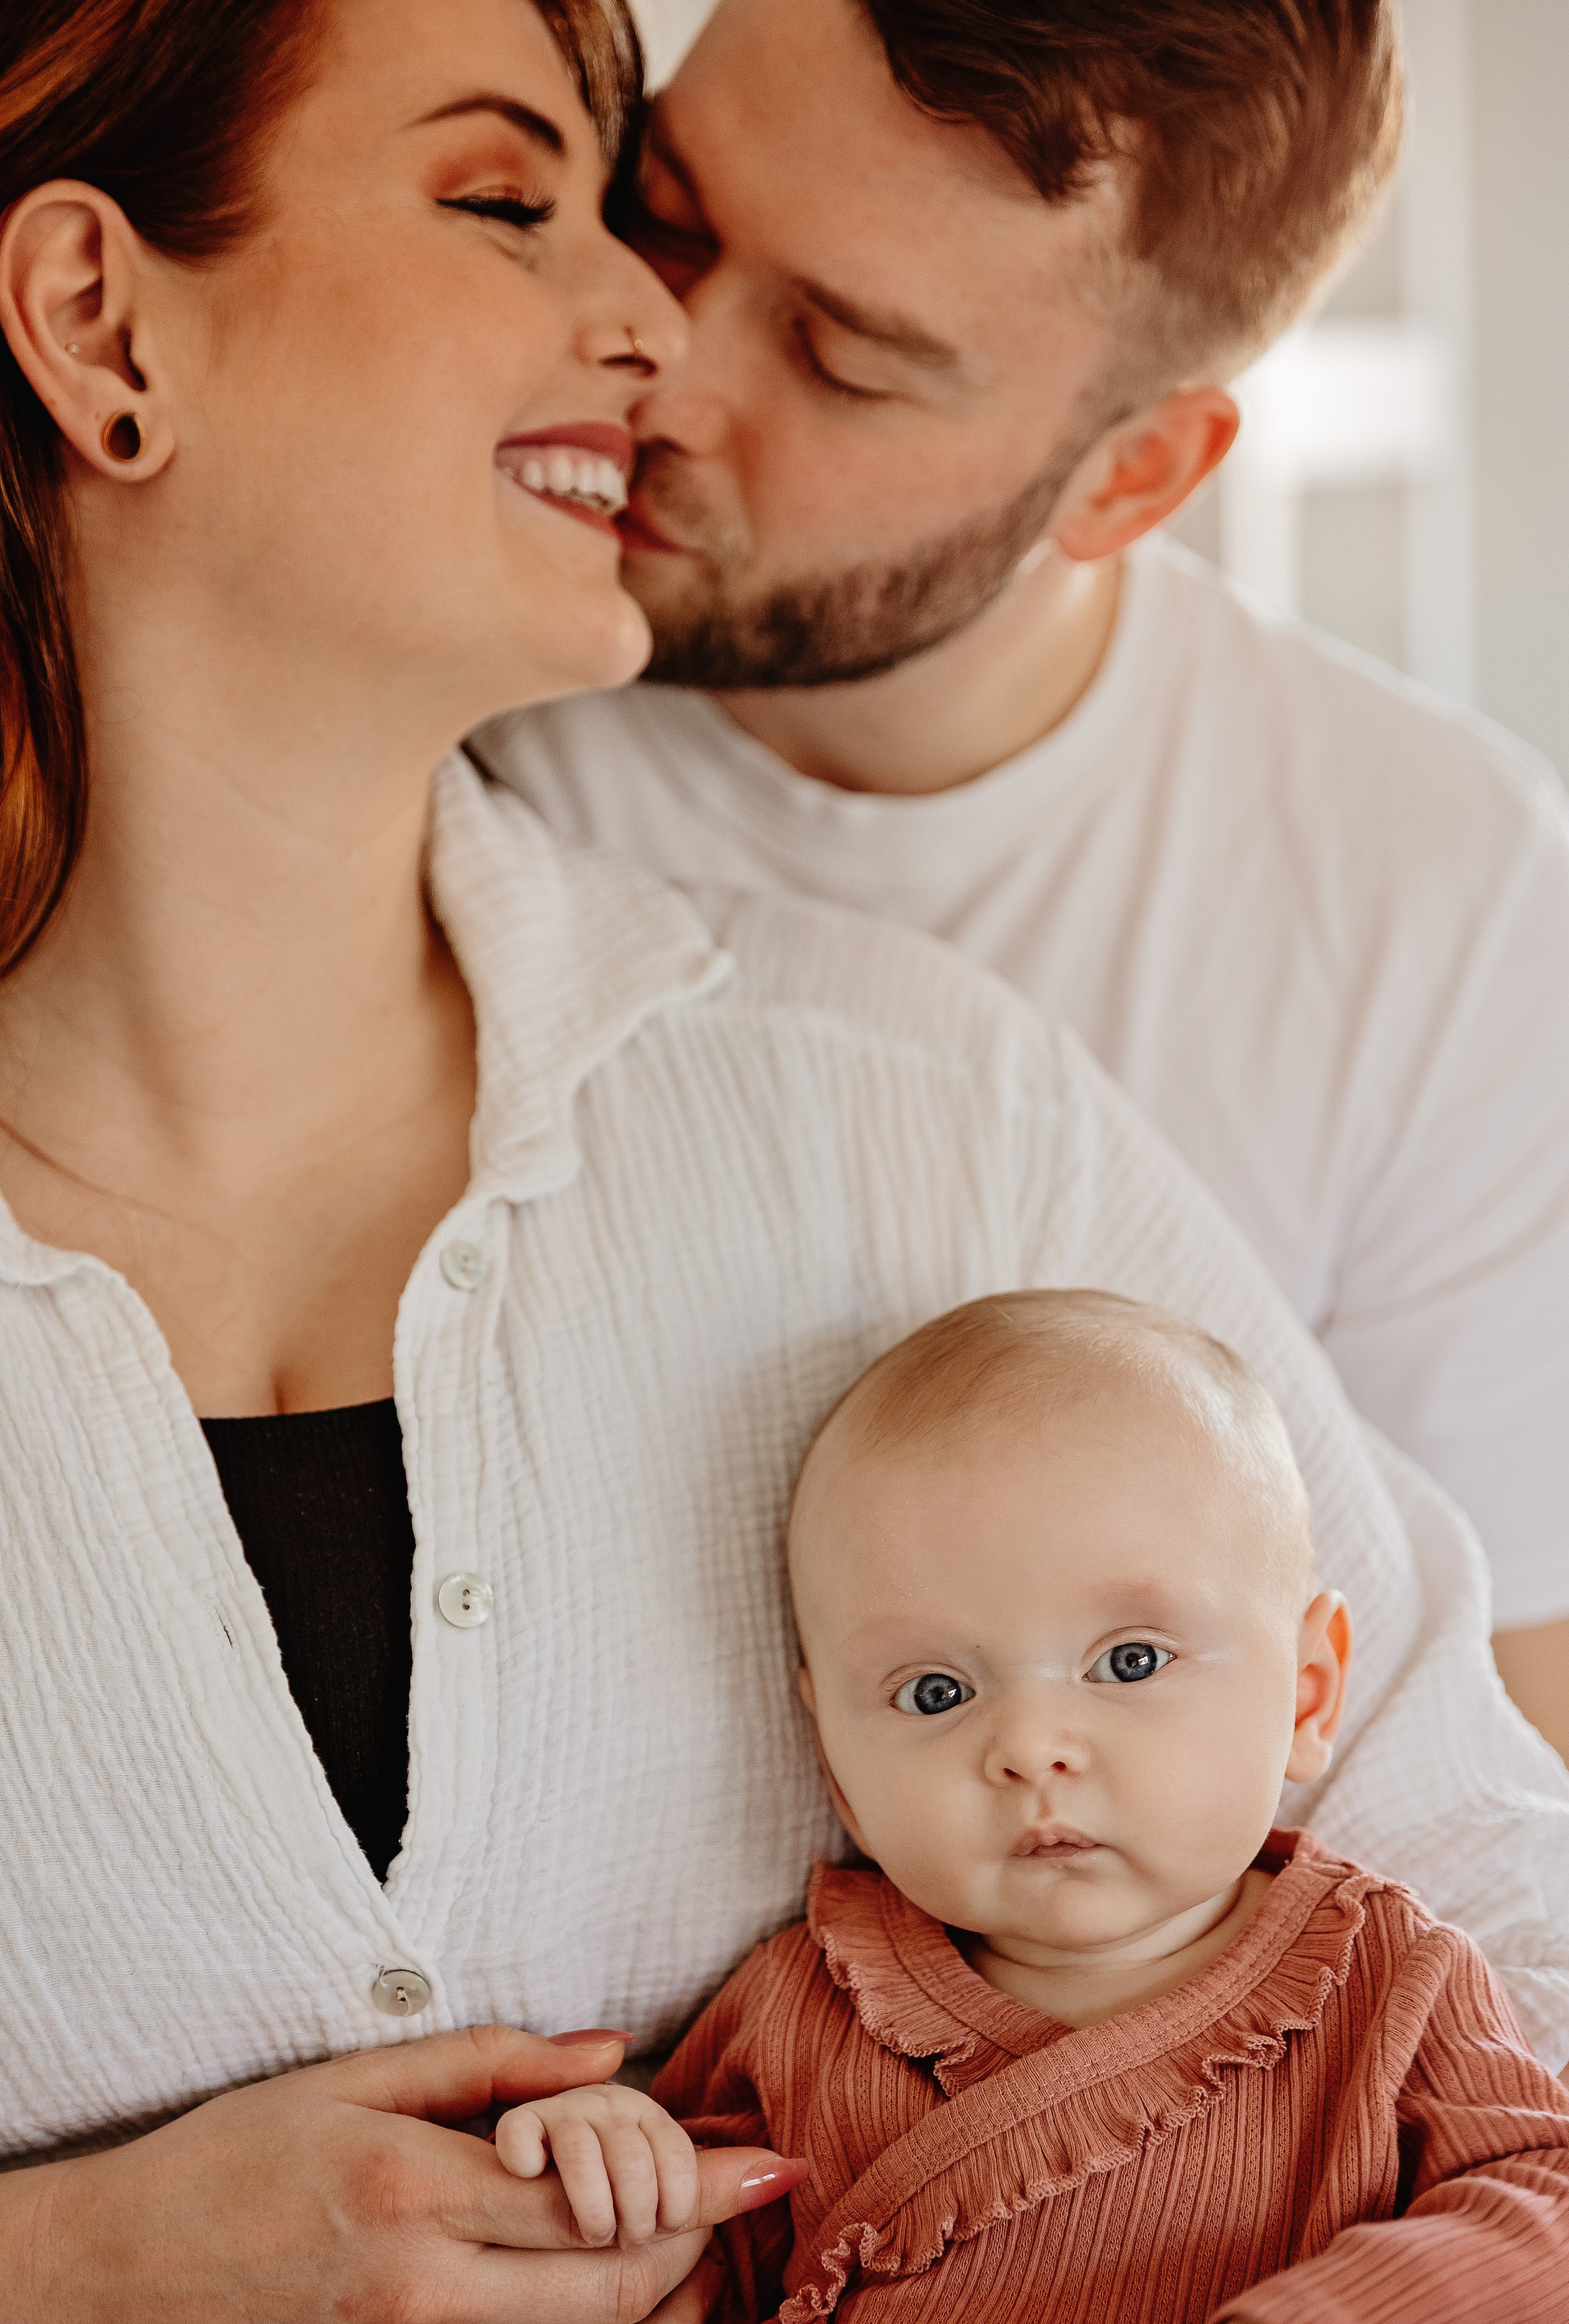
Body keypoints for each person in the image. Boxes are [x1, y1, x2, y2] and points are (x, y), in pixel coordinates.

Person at [0, 0, 1566, 2324]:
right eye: (527, 201)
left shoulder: (922, 1108)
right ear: (103, 322)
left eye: (841, 345)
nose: (646, 327)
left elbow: (1508, 1962)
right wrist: (69, 2276)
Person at [477, 0, 1569, 1764]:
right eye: (667, 212)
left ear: (1131, 477)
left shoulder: (1441, 898)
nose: (658, 368)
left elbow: (1502, 1764)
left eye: (841, 357)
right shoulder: (437, 690)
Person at [498, 1295, 1569, 2324]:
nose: (1030, 1745)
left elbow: (1544, 2217)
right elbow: (698, 2262)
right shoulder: (799, 2004)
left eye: (1130, 1661)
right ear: (834, 1761)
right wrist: (618, 2163)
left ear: (1305, 1696)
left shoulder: (1389, 1978)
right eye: (934, 1692)